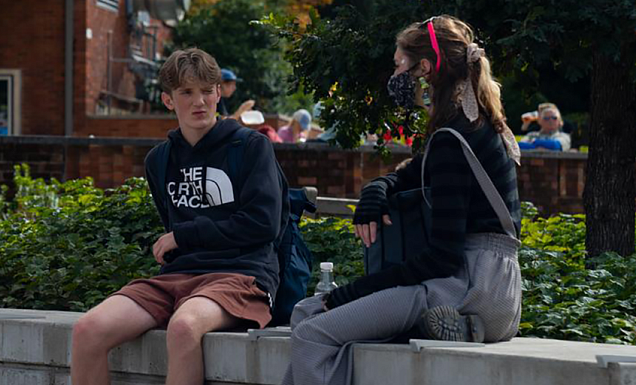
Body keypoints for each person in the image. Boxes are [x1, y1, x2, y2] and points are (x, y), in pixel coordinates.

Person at [282, 15, 523, 385]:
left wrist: (354, 290)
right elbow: (408, 174)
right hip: (496, 290)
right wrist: (375, 191)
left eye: (398, 66)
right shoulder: (473, 127)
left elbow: (442, 257)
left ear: (424, 68)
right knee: (321, 320)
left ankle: (449, 321)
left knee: (312, 326)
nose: (394, 76)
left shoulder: (451, 140)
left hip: (467, 286)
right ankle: (444, 328)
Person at [70, 48, 283, 385]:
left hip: (242, 274)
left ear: (217, 93)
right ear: (168, 100)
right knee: (87, 330)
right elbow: (174, 226)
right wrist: (182, 240)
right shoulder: (160, 160)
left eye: (206, 91)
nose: (199, 101)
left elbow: (263, 224)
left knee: (183, 327)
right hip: (179, 276)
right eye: (186, 92)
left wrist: (185, 236)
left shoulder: (251, 147)